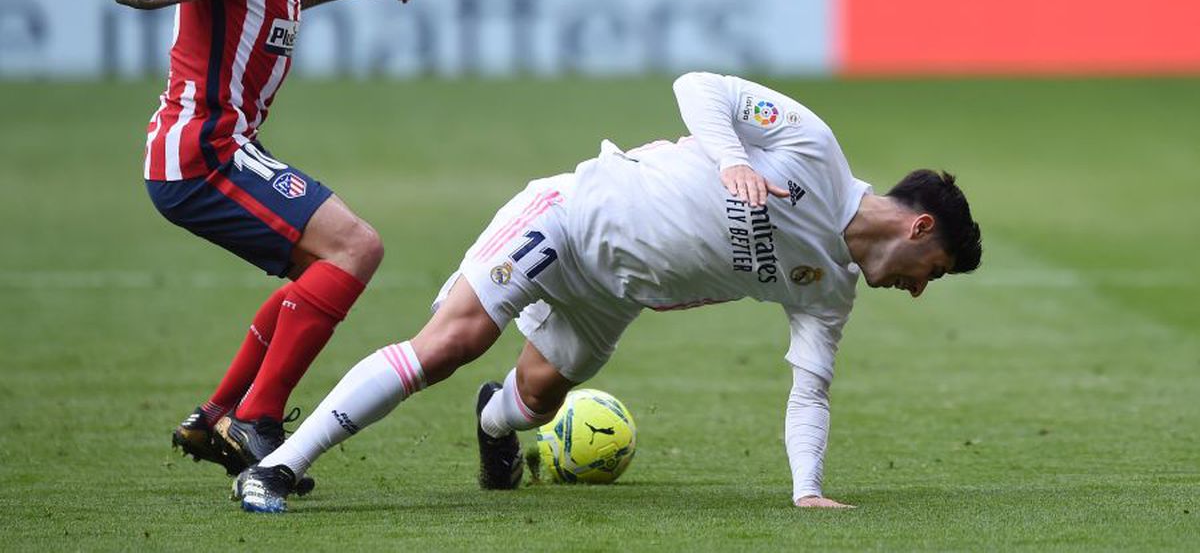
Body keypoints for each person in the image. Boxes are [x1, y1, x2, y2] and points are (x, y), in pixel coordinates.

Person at [231, 71, 982, 512]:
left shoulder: (830, 292)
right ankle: (276, 468)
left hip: (611, 294)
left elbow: (810, 388)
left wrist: (806, 491)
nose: (920, 291)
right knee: (455, 343)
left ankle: (492, 428)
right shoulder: (812, 149)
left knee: (536, 397)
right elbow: (699, 86)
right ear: (919, 229)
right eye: (935, 273)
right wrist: (730, 161)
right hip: (571, 213)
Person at [113, 0, 415, 494]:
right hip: (204, 150)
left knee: (322, 272)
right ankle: (257, 421)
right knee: (357, 248)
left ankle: (215, 414)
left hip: (213, 150)